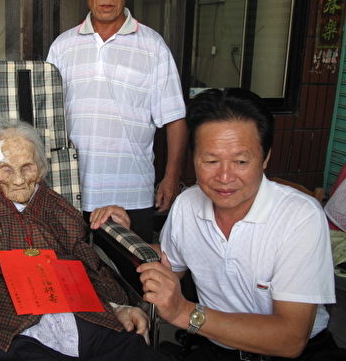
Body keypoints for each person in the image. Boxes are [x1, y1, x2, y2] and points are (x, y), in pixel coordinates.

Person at [0, 120, 167, 361]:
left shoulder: (59, 209)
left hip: (83, 318)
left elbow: (89, 261)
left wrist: (117, 306)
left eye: (27, 167)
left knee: (134, 351)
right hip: (15, 329)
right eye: (6, 169)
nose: (18, 179)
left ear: (41, 167)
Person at [138, 88, 346, 360]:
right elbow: (169, 268)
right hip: (217, 347)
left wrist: (184, 312)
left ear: (265, 158)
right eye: (211, 161)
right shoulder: (188, 204)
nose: (225, 177)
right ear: (194, 158)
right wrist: (122, 232)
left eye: (240, 161)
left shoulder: (300, 216)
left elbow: (290, 339)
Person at [46, 0, 187, 242]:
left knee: (130, 269)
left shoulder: (153, 46)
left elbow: (175, 119)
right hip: (71, 191)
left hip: (132, 193)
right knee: (72, 268)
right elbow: (47, 118)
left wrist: (171, 177)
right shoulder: (63, 46)